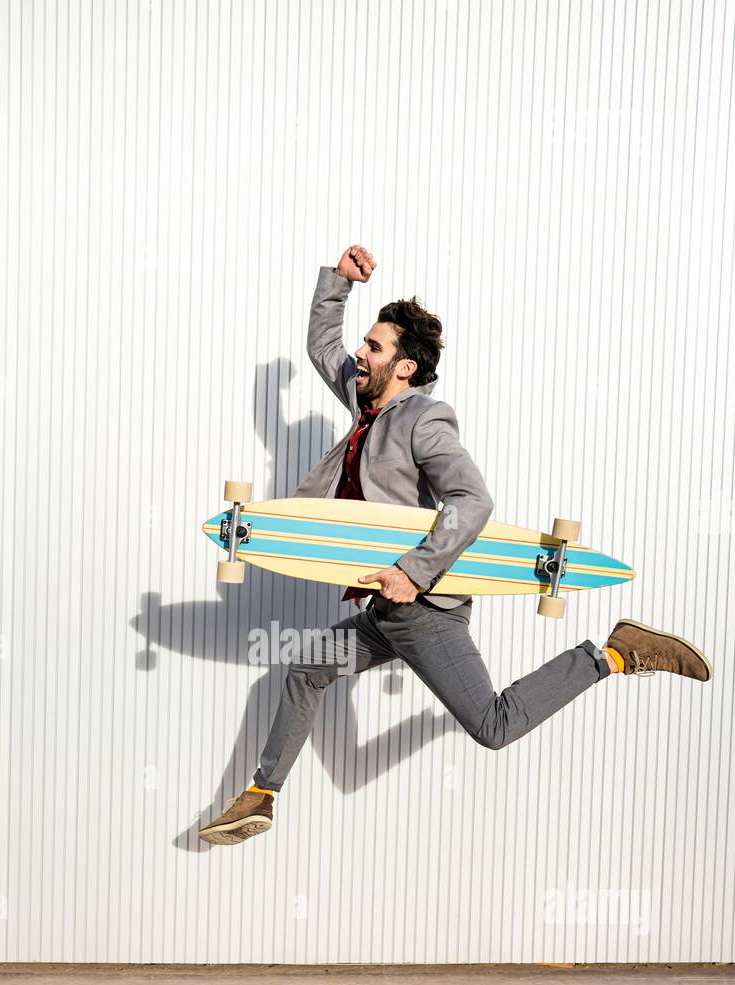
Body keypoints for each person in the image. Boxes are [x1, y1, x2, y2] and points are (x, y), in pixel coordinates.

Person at [200, 245, 712, 846]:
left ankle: (613, 654)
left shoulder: (424, 419)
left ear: (406, 367)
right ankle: (262, 794)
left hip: (421, 610)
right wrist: (339, 282)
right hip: (383, 611)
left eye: (374, 348)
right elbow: (322, 348)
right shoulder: (368, 404)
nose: (359, 355)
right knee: (309, 669)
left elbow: (472, 501)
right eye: (363, 345)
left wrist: (413, 575)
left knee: (493, 726)